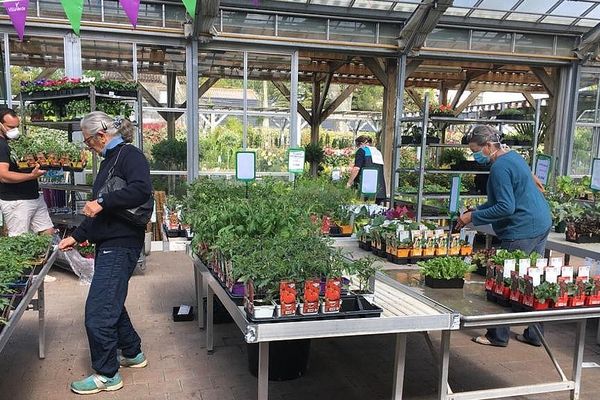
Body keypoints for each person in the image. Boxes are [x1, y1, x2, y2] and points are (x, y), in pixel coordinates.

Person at [58, 112, 152, 395]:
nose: (89, 148)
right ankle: (133, 353)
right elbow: (100, 211)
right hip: (110, 243)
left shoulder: (129, 155)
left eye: (88, 142)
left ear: (101, 135)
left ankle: (107, 374)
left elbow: (141, 190)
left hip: (120, 244)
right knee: (111, 302)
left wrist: (102, 200)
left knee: (98, 312)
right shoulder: (110, 160)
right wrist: (76, 236)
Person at [455, 125, 552, 348]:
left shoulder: (499, 168)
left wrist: (472, 218)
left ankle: (497, 335)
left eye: (476, 151)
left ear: (488, 146)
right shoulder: (513, 156)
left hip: (522, 227)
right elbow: (500, 200)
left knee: (504, 280)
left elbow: (506, 208)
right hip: (540, 221)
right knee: (533, 279)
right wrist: (475, 212)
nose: (475, 156)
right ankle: (535, 334)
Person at [0, 108, 54, 236]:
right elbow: (3, 176)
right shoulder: (1, 146)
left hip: (33, 196)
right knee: (19, 240)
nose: (14, 130)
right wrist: (31, 175)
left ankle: (44, 256)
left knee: (48, 233)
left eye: (17, 126)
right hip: (16, 201)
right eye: (10, 127)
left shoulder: (14, 142)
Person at [346, 135, 387, 205]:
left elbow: (356, 168)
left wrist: (349, 183)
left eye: (357, 145)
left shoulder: (361, 151)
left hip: (364, 189)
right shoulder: (378, 152)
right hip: (379, 190)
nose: (357, 147)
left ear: (362, 143)